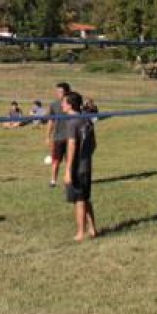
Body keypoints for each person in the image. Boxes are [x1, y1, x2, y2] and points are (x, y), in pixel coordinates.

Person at [62, 91, 97, 241]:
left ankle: (81, 233)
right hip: (87, 164)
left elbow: (71, 146)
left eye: (63, 102)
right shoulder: (86, 120)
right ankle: (93, 229)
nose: (61, 104)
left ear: (70, 105)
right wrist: (86, 156)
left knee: (79, 200)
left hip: (78, 167)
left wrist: (68, 170)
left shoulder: (72, 122)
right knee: (85, 198)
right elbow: (94, 144)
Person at [47, 82, 72, 187]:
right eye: (57, 91)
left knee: (69, 161)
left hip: (71, 138)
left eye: (60, 91)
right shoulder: (54, 105)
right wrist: (47, 136)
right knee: (55, 160)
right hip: (58, 137)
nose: (58, 93)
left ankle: (69, 180)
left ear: (67, 92)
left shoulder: (73, 104)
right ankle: (53, 181)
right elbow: (51, 121)